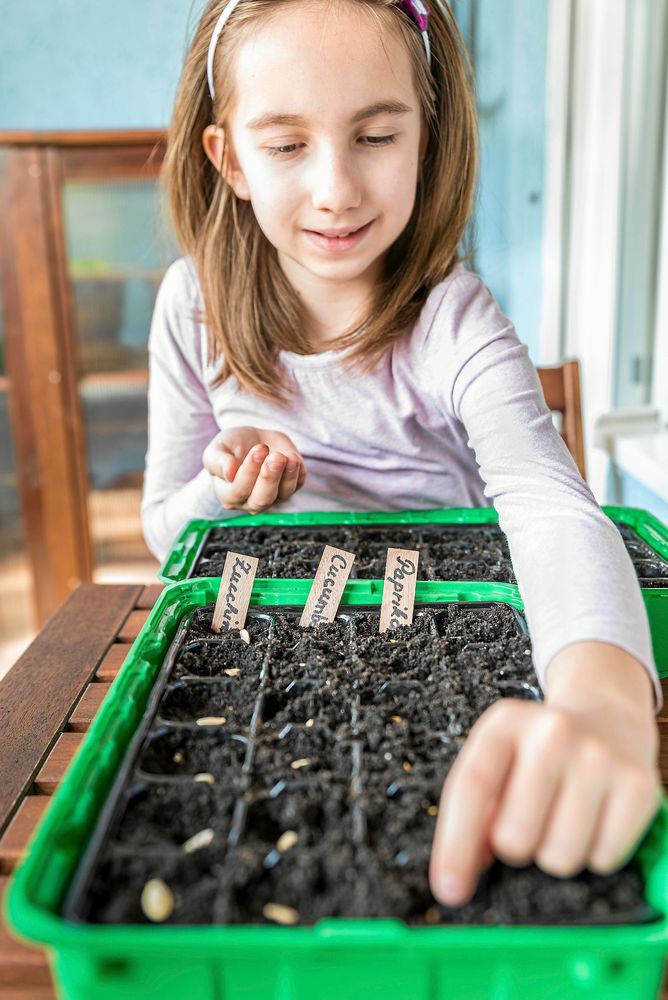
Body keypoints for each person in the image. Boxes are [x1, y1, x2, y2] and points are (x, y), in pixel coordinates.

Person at [141, 0, 662, 908]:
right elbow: (163, 535)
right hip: (275, 637)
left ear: (427, 137)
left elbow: (547, 503)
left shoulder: (454, 319)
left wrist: (605, 707)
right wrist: (218, 489)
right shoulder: (190, 307)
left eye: (376, 135)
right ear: (228, 160)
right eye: (288, 145)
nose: (337, 188)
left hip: (453, 625)